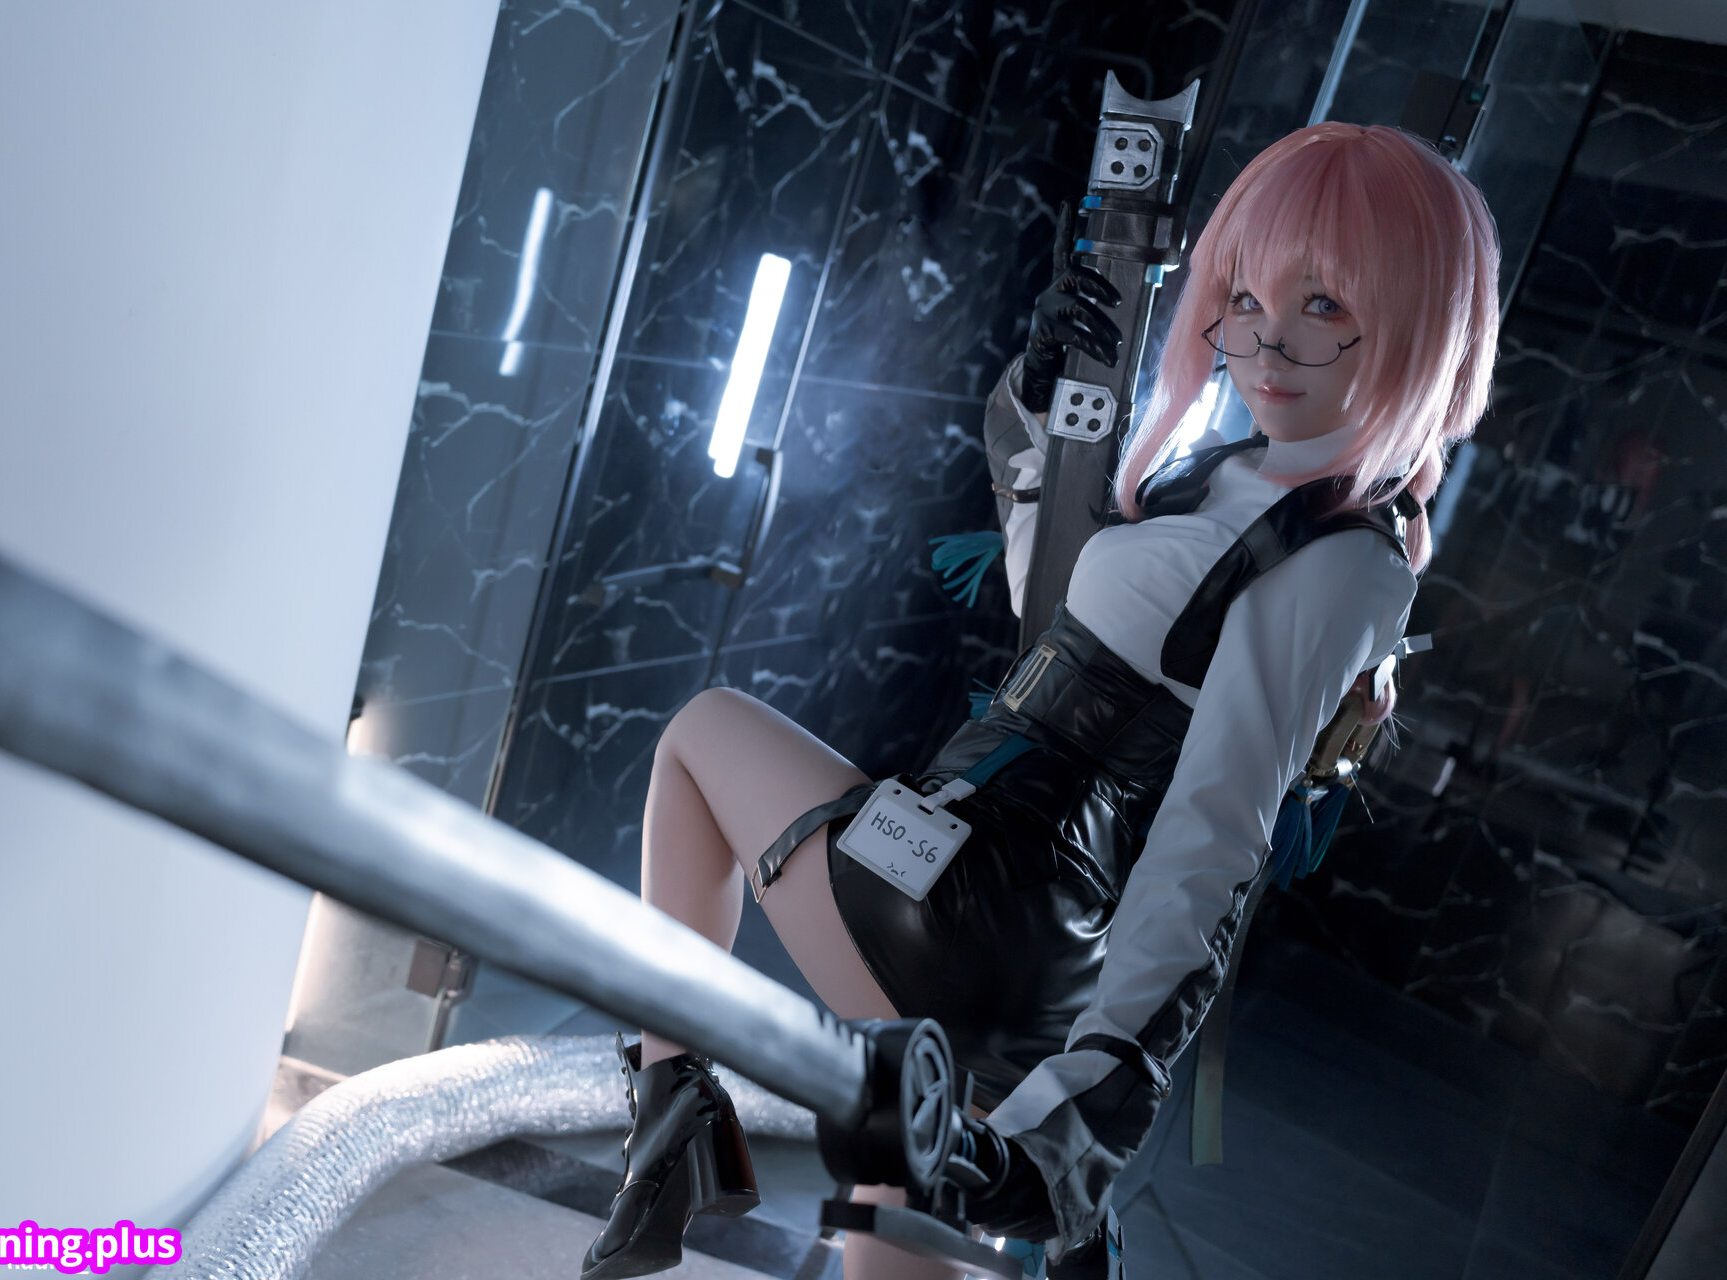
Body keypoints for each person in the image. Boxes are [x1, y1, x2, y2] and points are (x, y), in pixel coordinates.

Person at [579, 121, 1501, 1280]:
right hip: (982, 878)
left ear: (1418, 324)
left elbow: (1214, 838)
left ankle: (674, 1131)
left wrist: (1097, 1098)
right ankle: (685, 1132)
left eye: (1323, 305)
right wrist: (1039, 417)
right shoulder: (1227, 475)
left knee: (705, 735)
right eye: (1247, 296)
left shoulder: (1346, 559)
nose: (1269, 339)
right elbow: (1057, 620)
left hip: (998, 907)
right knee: (889, 1217)